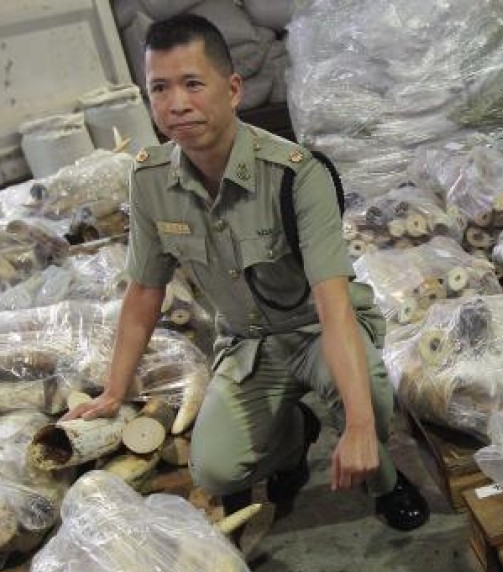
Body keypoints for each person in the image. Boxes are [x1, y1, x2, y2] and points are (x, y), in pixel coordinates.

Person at [63, 14, 429, 533]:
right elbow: (144, 291)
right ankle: (293, 436)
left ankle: (387, 481)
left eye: (193, 83)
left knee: (365, 400)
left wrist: (362, 425)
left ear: (232, 89)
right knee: (214, 470)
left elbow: (333, 305)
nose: (176, 103)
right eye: (160, 88)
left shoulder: (296, 174)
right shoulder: (149, 180)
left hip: (318, 332)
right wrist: (112, 392)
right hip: (248, 344)